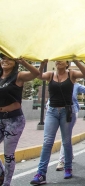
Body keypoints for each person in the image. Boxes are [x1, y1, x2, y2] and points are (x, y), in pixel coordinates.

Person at [31, 60, 85, 185]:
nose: (59, 61)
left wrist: (76, 60)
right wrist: (42, 64)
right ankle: (41, 174)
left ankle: (68, 167)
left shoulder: (71, 74)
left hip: (66, 112)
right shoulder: (50, 75)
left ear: (67, 63)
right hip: (51, 112)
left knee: (66, 141)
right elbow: (38, 75)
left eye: (62, 60)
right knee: (47, 142)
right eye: (57, 60)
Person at [0, 55, 39, 186]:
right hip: (0, 119)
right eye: (3, 58)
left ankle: (6, 183)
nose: (5, 61)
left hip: (14, 120)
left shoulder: (19, 76)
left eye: (9, 59)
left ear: (15, 62)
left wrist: (23, 62)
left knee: (8, 154)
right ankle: (2, 173)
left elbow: (36, 73)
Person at [56, 77, 85, 171]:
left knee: (65, 136)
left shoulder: (76, 85)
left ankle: (61, 160)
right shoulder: (60, 84)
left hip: (72, 112)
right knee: (66, 136)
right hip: (58, 111)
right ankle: (69, 154)